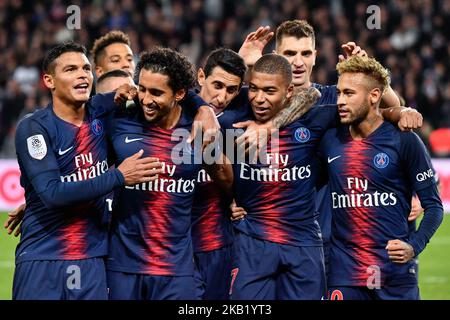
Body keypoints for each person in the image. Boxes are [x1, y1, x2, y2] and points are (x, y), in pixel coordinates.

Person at [235, 20, 422, 275]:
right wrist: (238, 63)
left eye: (305, 53)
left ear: (315, 56)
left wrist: (377, 82)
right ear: (277, 57)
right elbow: (211, 110)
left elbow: (383, 107)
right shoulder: (257, 98)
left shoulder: (334, 98)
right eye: (290, 54)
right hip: (259, 237)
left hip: (321, 235)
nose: (298, 62)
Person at [12, 41, 161, 300]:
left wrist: (202, 108)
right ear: (49, 81)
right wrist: (118, 176)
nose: (82, 74)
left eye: (85, 68)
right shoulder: (34, 127)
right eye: (70, 69)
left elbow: (163, 91)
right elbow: (52, 194)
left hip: (91, 260)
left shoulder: (100, 112)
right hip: (43, 257)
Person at [106, 47, 233, 300]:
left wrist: (211, 144)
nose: (145, 99)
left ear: (180, 94)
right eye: (142, 89)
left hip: (177, 269)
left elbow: (227, 181)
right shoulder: (121, 121)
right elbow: (87, 164)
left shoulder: (196, 128)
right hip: (123, 266)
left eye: (156, 93)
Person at [319, 56, 443, 300]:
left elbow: (434, 207)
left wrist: (413, 246)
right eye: (339, 93)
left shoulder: (404, 140)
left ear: (374, 96)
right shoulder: (330, 140)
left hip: (394, 274)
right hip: (345, 274)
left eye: (349, 94)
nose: (340, 101)